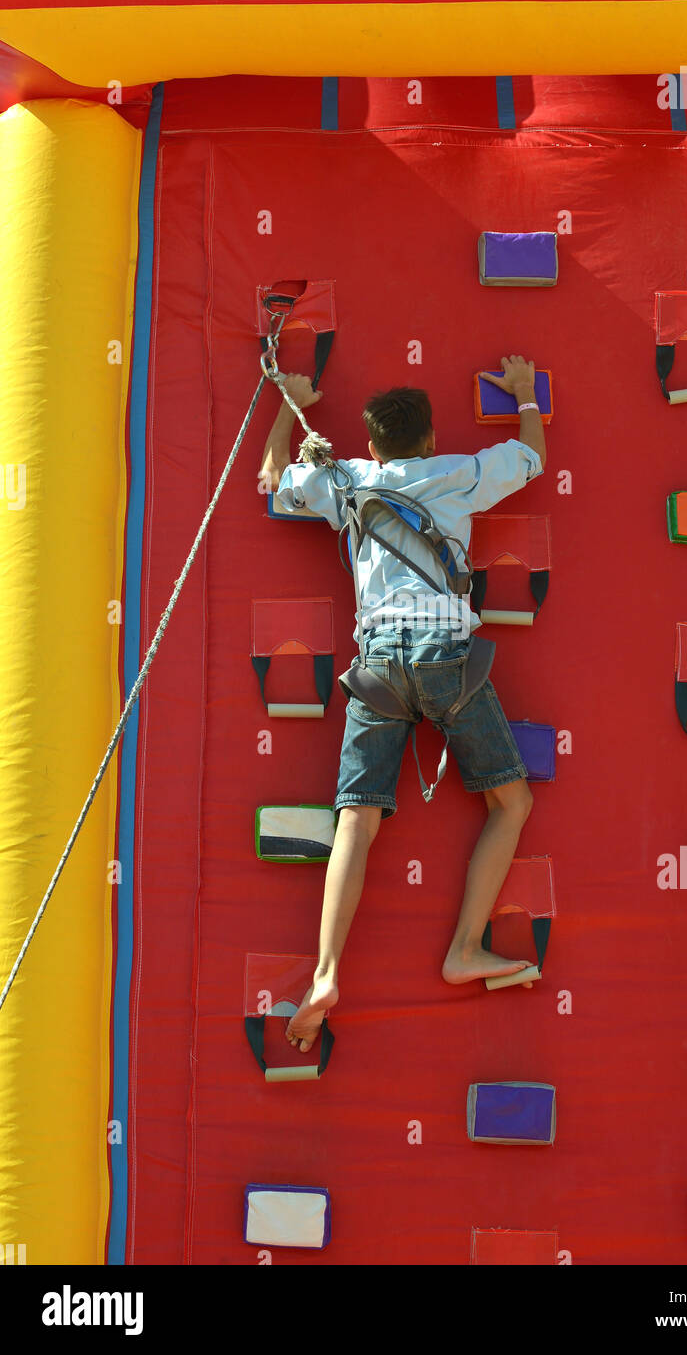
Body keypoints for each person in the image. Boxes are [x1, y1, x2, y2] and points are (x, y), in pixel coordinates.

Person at [258, 356, 547, 1053]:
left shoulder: (347, 481)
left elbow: (271, 483)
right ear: (429, 438)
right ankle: (465, 948)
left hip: (379, 662)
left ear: (372, 445)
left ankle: (327, 972)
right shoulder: (457, 473)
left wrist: (286, 404)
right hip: (447, 657)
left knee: (356, 822)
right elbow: (532, 456)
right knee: (511, 805)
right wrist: (525, 394)